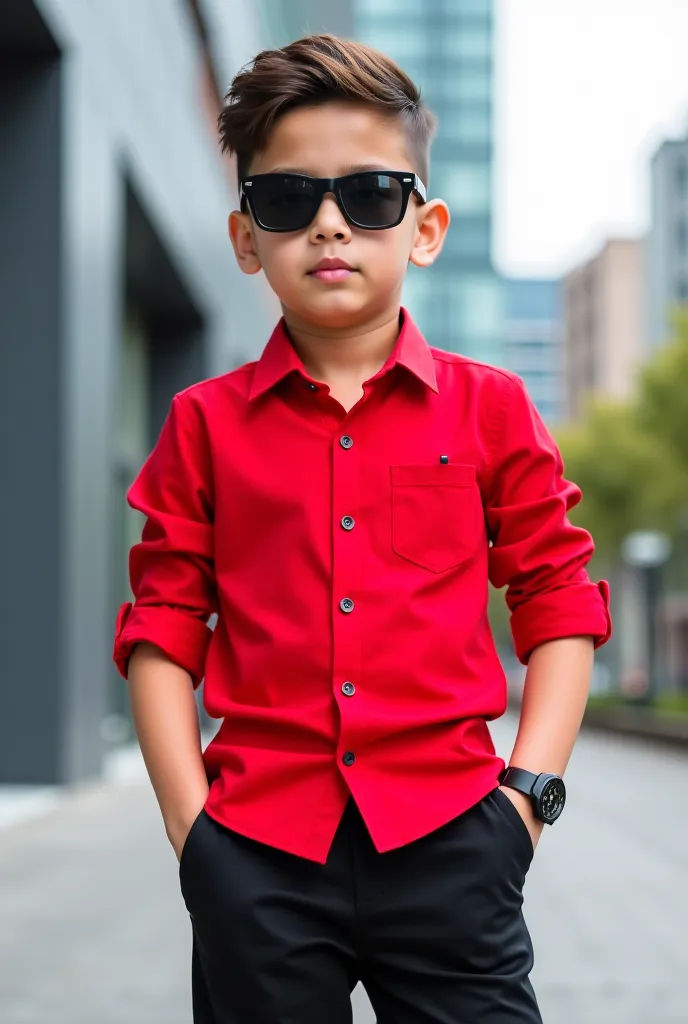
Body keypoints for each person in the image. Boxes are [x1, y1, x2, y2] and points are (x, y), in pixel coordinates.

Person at [113, 34, 611, 1024]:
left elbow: (556, 604)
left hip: (453, 842)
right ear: (247, 237)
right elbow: (163, 628)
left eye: (370, 196)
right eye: (289, 200)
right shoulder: (202, 424)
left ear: (423, 228)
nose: (329, 225)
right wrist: (192, 832)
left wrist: (524, 804)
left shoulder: (492, 409)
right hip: (255, 856)